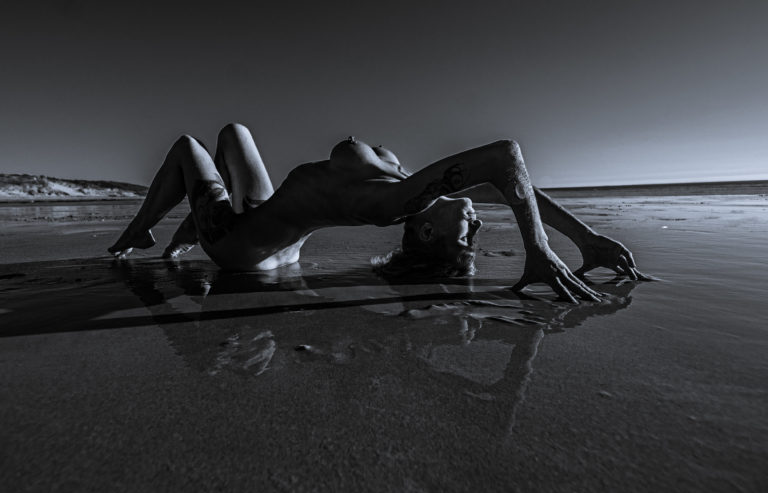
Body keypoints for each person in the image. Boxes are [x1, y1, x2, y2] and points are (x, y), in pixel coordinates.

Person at [108, 123, 650, 303]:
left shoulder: (396, 204)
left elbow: (506, 157)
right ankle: (189, 225)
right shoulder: (417, 191)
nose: (479, 224)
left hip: (242, 249)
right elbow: (515, 185)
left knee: (187, 146)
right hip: (271, 225)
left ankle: (141, 229)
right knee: (233, 134)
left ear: (428, 230)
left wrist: (538, 250)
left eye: (468, 236)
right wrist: (585, 238)